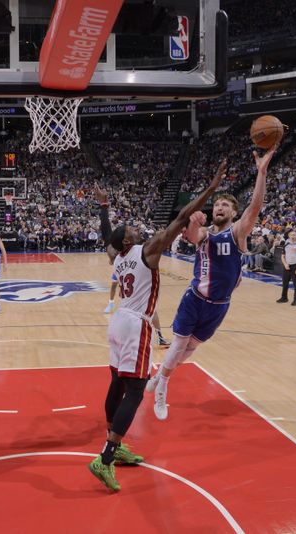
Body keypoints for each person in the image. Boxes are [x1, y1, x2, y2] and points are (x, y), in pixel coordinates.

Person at [87, 160, 227, 492]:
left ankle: (114, 444)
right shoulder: (145, 251)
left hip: (119, 322)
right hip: (136, 325)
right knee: (135, 391)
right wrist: (210, 188)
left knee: (116, 384)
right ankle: (105, 457)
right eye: (131, 231)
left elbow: (107, 235)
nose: (136, 229)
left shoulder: (116, 256)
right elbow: (180, 220)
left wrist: (105, 206)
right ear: (128, 242)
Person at [148, 145, 278, 421]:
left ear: (233, 212)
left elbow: (255, 206)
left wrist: (261, 173)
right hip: (194, 299)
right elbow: (193, 235)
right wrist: (193, 220)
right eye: (217, 204)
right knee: (177, 345)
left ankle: (161, 374)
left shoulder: (238, 232)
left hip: (219, 306)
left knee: (190, 350)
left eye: (225, 205)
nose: (219, 207)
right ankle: (162, 388)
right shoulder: (205, 233)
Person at [105, 260, 170, 346]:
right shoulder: (136, 262)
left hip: (128, 299)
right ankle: (158, 337)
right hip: (136, 295)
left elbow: (114, 286)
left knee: (147, 314)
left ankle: (157, 337)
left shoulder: (120, 266)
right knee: (151, 312)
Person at [277, 230, 296, 306]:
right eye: (291, 235)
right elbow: (282, 256)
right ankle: (284, 297)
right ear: (289, 236)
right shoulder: (286, 245)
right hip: (287, 266)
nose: (293, 236)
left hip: (295, 266)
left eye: (294, 235)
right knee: (285, 283)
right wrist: (285, 264)